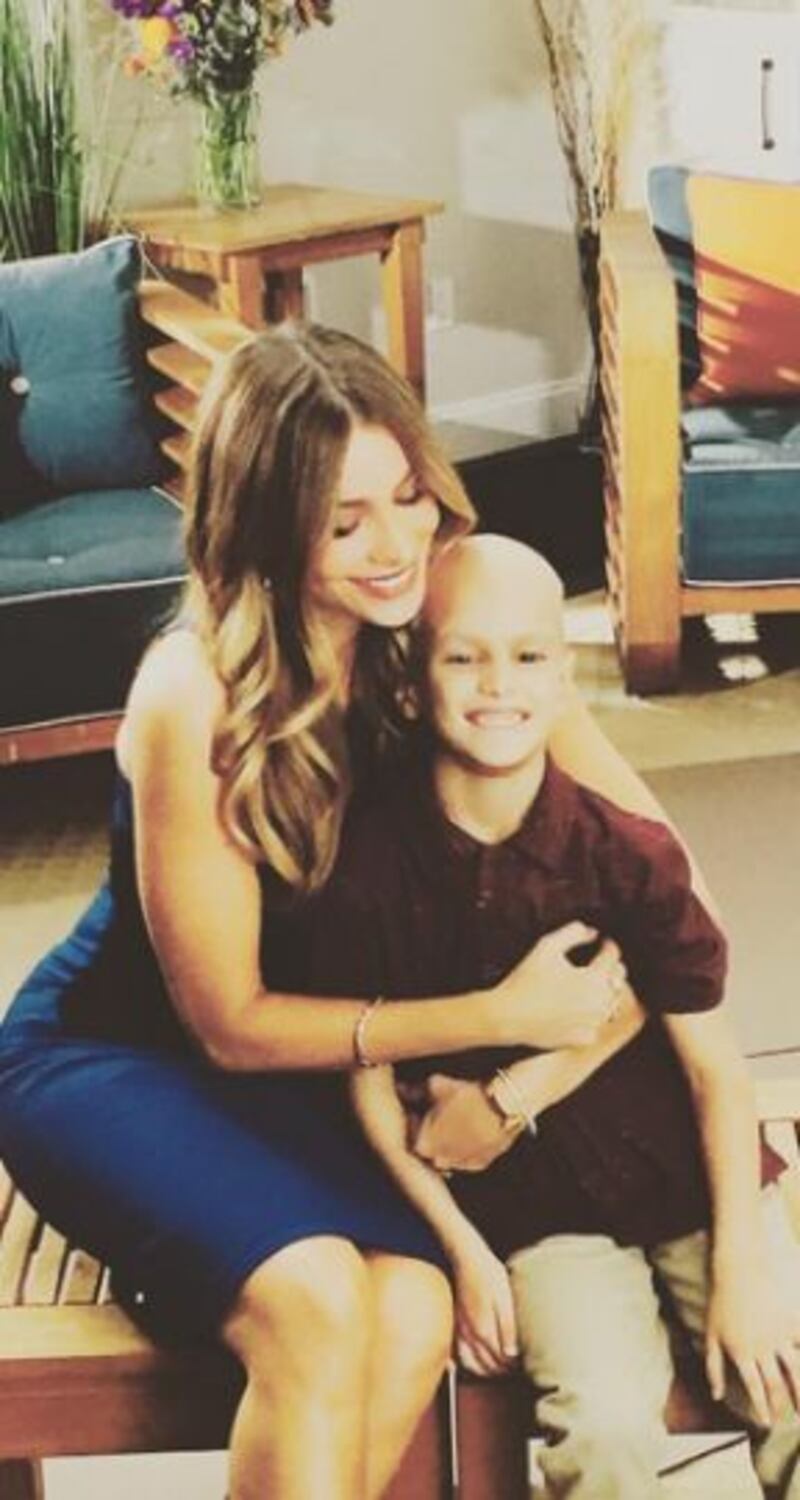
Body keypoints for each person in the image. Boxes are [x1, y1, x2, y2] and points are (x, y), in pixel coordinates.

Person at [0, 325, 690, 1500]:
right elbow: (228, 1024)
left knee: (411, 1306)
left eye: (409, 495)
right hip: (124, 1058)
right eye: (344, 520)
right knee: (317, 1300)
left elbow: (663, 882)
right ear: (266, 525)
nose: (395, 544)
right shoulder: (192, 692)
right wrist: (494, 1015)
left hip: (325, 1076)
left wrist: (521, 1085)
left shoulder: (446, 625)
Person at [301, 533, 800, 1500]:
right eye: (464, 657)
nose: (500, 684)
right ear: (411, 686)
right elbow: (372, 1099)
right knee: (603, 1427)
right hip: (539, 1220)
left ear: (564, 679)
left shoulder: (630, 853)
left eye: (529, 655)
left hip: (695, 1180)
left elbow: (716, 1070)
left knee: (786, 1377)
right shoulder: (369, 875)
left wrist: (742, 1270)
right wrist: (465, 1253)